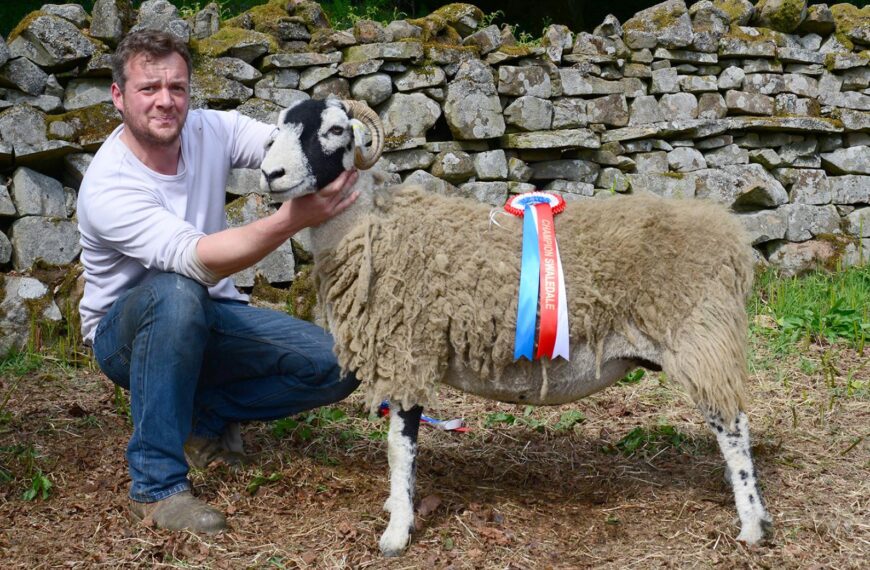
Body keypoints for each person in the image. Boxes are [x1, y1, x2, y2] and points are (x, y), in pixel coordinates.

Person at [76, 29, 361, 534]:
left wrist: (340, 142)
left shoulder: (210, 129)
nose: (166, 101)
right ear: (118, 96)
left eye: (177, 87)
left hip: (209, 314)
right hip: (125, 338)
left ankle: (199, 416)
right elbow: (198, 261)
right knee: (177, 290)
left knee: (342, 363)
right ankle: (156, 487)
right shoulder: (109, 185)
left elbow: (287, 145)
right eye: (148, 88)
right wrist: (294, 218)